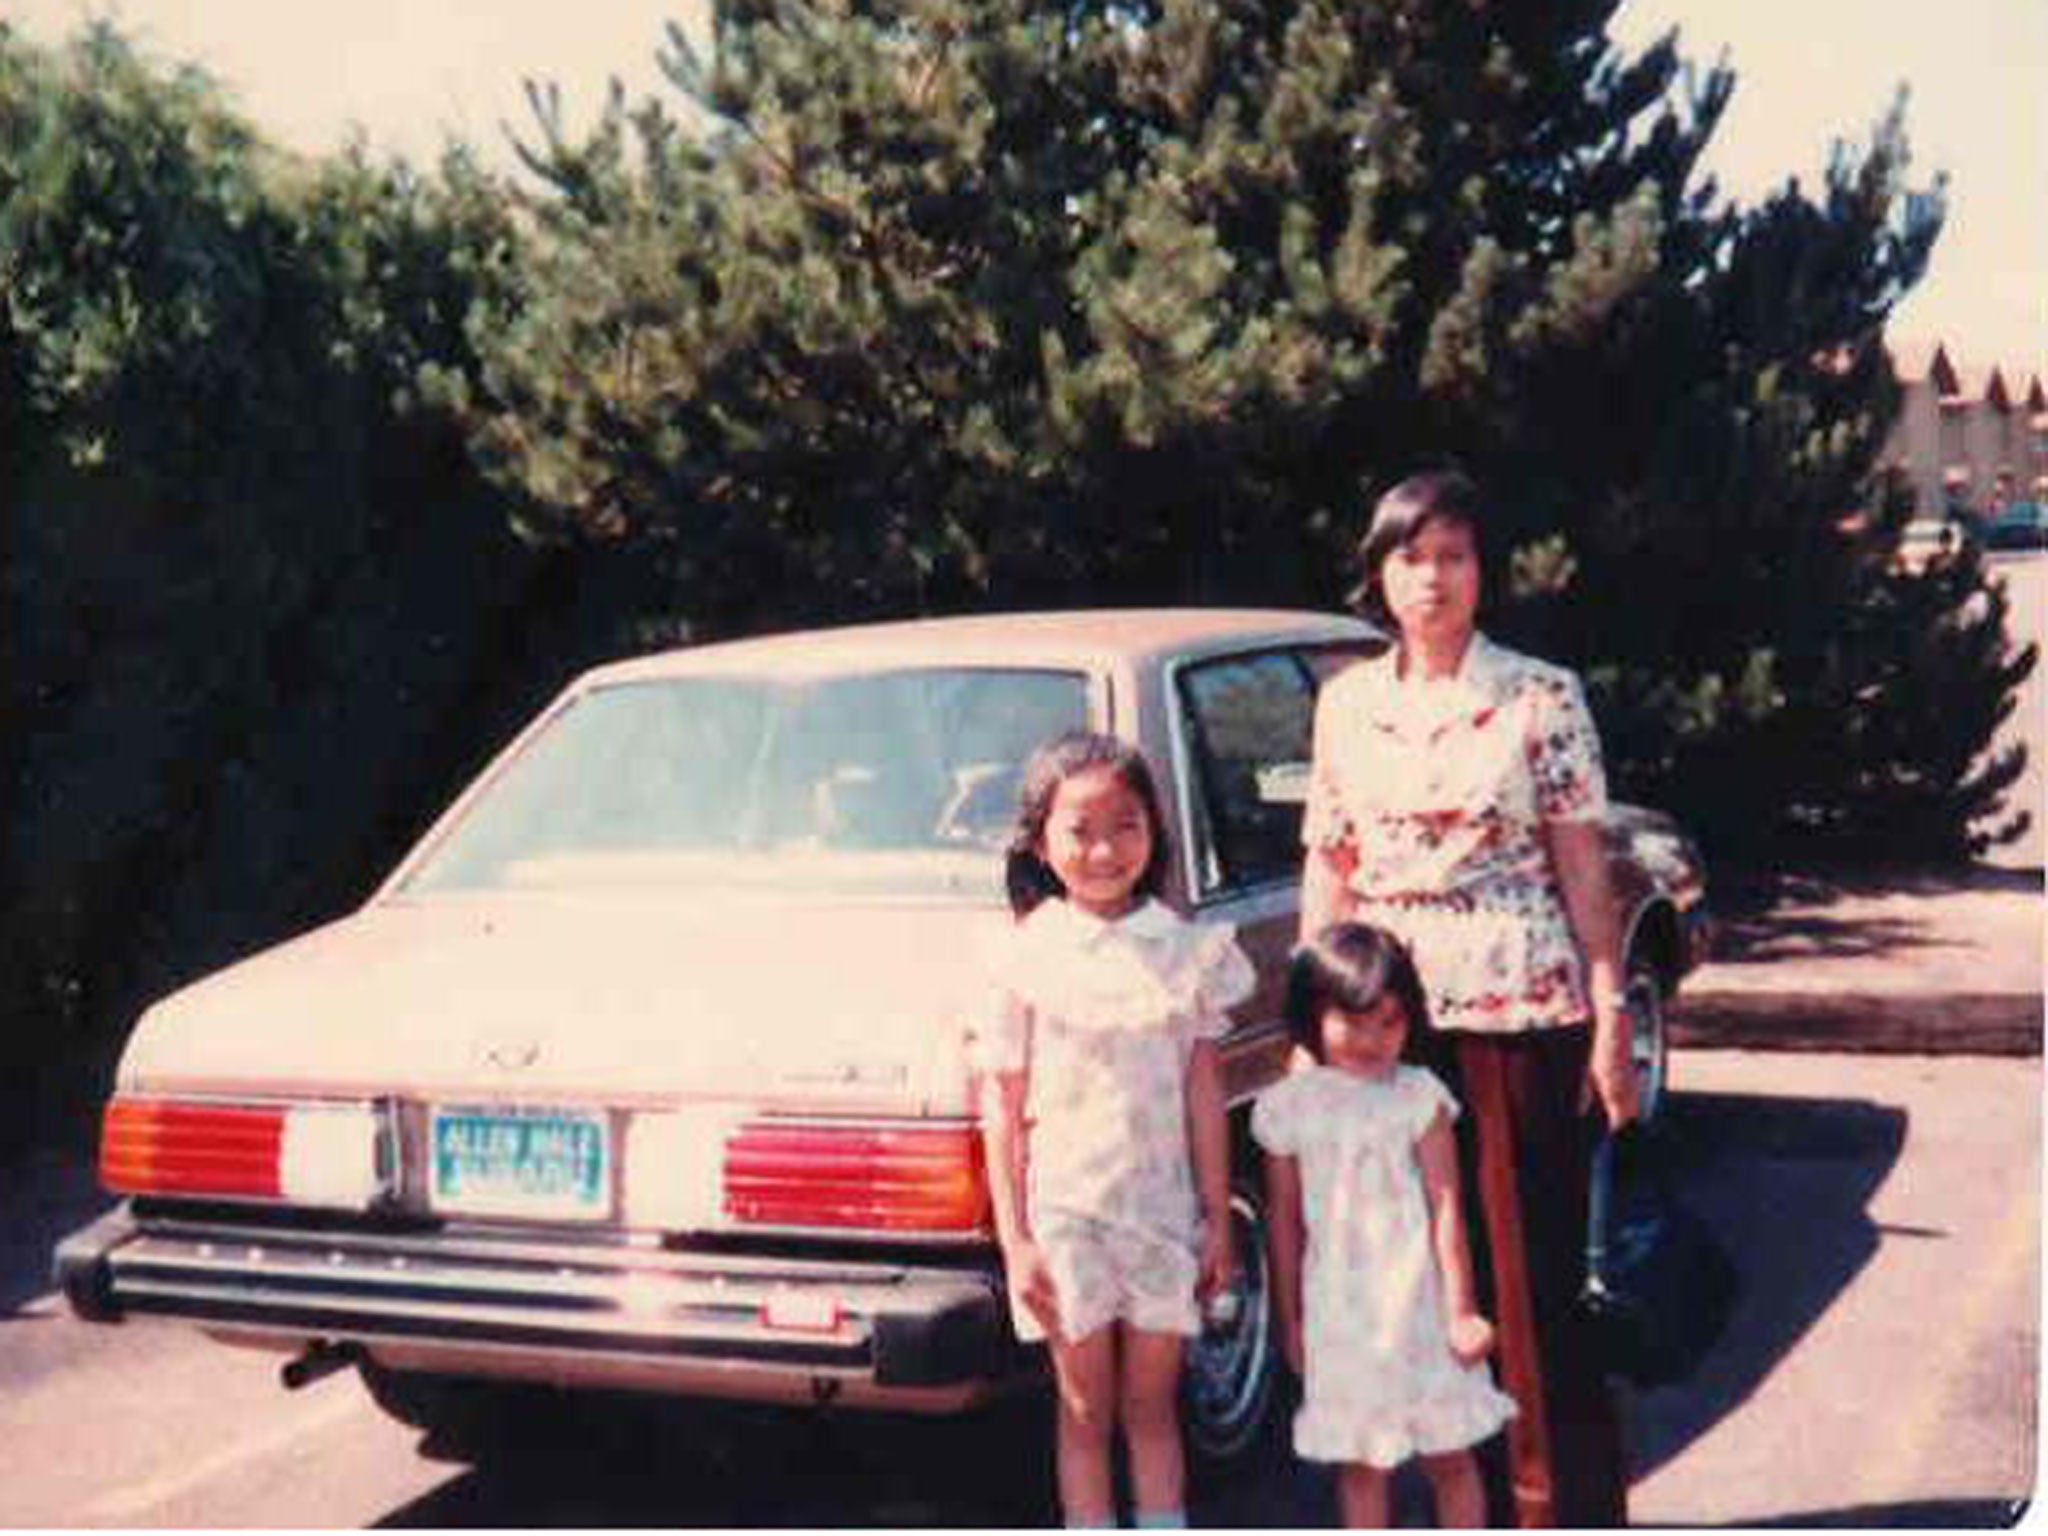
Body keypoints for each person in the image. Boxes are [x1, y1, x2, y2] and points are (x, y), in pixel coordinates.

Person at [1300, 469, 1637, 1527]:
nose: (1431, 578)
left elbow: (1582, 867)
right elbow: (1330, 861)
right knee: (1408, 1283)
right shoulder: (1345, 704)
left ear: (1481, 573)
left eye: (1452, 556)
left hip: (1515, 1015)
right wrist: (1313, 1017)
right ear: (1379, 574)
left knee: (1521, 1282)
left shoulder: (1540, 696)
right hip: (1382, 1028)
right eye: (1410, 558)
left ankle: (1551, 1508)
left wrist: (1609, 1011)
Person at [972, 730, 1254, 1529]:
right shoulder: (1020, 957)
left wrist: (1216, 1220)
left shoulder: (1186, 952)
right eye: (1080, 830)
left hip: (1164, 1218)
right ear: (1040, 840)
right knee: (1084, 1412)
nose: (1104, 850)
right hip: (1067, 1223)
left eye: (1126, 825)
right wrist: (1016, 1239)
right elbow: (1003, 1103)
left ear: (1155, 830)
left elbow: (1205, 1093)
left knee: (1153, 1410)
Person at [1254, 922, 1518, 1529]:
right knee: (1361, 1465)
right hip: (1340, 1314)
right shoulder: (1290, 1107)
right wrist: (1291, 1320)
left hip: (1421, 1304)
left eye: (1390, 1021)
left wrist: (1461, 1310)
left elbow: (1447, 1204)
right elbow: (1284, 1221)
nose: (1373, 1039)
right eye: (1353, 1020)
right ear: (1311, 1016)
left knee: (1449, 1454)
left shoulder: (1419, 1097)